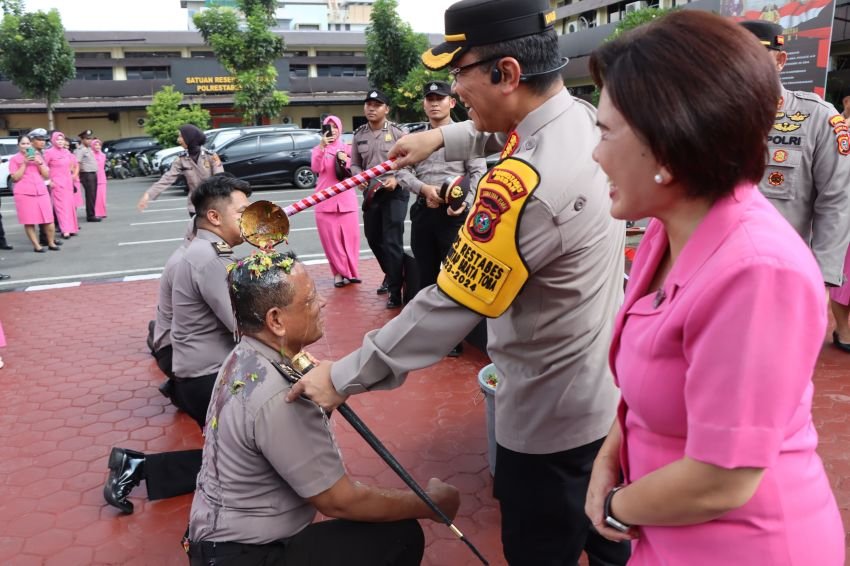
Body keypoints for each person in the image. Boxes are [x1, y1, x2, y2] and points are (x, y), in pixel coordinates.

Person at [287, 1, 629, 564]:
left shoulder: (524, 189)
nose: (453, 90)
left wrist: (344, 376)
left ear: (507, 73)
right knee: (609, 541)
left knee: (541, 548)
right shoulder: (579, 118)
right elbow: (509, 131)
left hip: (546, 420)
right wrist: (440, 140)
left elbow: (450, 303)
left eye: (459, 74)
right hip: (601, 393)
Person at [583, 11, 844, 565]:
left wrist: (615, 504)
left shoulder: (756, 270)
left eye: (605, 133)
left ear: (669, 148)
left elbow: (721, 481)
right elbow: (651, 381)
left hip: (742, 544)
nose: (595, 154)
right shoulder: (667, 228)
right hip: (668, 527)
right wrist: (612, 453)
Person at [186, 250, 458, 565]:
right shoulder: (281, 394)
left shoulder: (242, 355)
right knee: (401, 534)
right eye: (311, 299)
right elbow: (339, 501)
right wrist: (429, 504)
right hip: (248, 555)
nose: (322, 303)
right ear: (275, 320)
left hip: (216, 539)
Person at [103, 173, 252, 514]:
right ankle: (140, 468)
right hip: (209, 377)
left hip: (193, 369)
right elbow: (246, 326)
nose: (250, 218)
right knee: (257, 461)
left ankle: (137, 464)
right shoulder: (210, 258)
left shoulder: (199, 247)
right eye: (242, 211)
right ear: (214, 217)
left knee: (246, 453)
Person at [739, 21, 850, 288]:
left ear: (780, 60)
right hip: (713, 274)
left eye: (754, 55)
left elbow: (836, 202)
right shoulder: (707, 118)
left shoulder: (817, 117)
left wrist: (822, 280)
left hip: (782, 277)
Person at [396, 80, 487, 356]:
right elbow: (400, 172)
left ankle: (450, 340)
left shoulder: (466, 136)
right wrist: (423, 188)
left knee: (452, 277)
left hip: (453, 216)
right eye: (429, 98)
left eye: (440, 98)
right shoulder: (415, 139)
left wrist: (465, 205)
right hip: (424, 211)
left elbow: (479, 172)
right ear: (424, 104)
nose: (434, 103)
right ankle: (423, 336)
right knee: (424, 274)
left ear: (452, 102)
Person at [350, 89, 408, 308]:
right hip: (371, 192)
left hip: (395, 191)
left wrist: (395, 177)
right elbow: (354, 163)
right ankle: (391, 273)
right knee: (373, 238)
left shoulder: (397, 133)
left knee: (392, 240)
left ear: (386, 109)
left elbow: (410, 161)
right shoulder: (359, 134)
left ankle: (395, 291)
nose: (371, 108)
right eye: (368, 104)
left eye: (377, 105)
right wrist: (358, 176)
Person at [311, 114, 362, 288]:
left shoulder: (348, 148)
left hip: (347, 202)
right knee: (331, 242)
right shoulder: (318, 149)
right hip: (324, 202)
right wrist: (321, 147)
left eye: (335, 126)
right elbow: (316, 168)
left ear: (340, 128)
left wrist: (344, 159)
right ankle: (338, 273)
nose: (332, 129)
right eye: (328, 126)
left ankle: (352, 272)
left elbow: (354, 169)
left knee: (351, 239)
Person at [137, 124, 223, 215]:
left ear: (190, 138)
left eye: (181, 136)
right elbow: (168, 178)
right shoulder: (181, 159)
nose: (178, 140)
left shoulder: (211, 156)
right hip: (194, 206)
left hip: (212, 205)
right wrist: (148, 194)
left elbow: (220, 179)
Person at [10, 134, 58, 253]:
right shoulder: (14, 159)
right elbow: (15, 178)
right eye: (23, 144)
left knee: (49, 220)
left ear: (31, 144)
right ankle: (37, 246)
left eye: (27, 143)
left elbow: (47, 175)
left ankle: (51, 242)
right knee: (29, 221)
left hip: (40, 190)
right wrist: (24, 163)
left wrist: (40, 163)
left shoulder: (38, 156)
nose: (26, 146)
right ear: (18, 146)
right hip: (24, 193)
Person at [43, 131, 79, 239]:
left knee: (70, 206)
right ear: (53, 140)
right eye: (58, 139)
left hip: (68, 182)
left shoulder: (67, 152)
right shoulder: (49, 153)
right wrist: (49, 181)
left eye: (62, 139)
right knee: (60, 207)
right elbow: (43, 168)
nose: (60, 141)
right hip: (57, 183)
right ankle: (65, 230)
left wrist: (72, 176)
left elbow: (73, 164)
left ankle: (72, 228)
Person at [74, 129, 101, 222]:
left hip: (93, 173)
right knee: (90, 195)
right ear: (82, 140)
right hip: (86, 174)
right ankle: (90, 215)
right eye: (87, 139)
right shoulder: (80, 150)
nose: (89, 140)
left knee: (93, 195)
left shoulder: (89, 149)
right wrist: (77, 174)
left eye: (90, 139)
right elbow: (77, 162)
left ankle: (92, 213)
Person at [92, 138, 108, 218]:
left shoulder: (103, 155)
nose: (97, 146)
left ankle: (103, 212)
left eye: (99, 145)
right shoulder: (91, 155)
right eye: (95, 145)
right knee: (96, 196)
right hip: (94, 177)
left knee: (102, 196)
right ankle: (96, 212)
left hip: (102, 177)